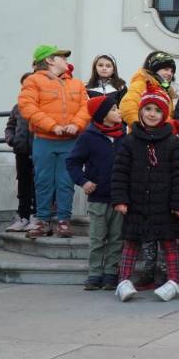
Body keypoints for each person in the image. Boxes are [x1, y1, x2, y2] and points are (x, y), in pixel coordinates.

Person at [112, 83, 179, 302]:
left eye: (157, 110)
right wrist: (120, 199)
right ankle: (123, 281)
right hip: (136, 202)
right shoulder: (129, 141)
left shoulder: (173, 143)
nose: (152, 114)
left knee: (168, 242)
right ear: (140, 111)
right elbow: (119, 172)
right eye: (148, 109)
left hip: (163, 204)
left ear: (164, 115)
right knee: (131, 242)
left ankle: (173, 280)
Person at [18, 44, 90, 239]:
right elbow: (27, 107)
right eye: (62, 57)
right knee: (43, 181)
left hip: (70, 141)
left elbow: (86, 107)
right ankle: (41, 220)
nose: (66, 61)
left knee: (66, 182)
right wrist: (52, 126)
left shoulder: (76, 83)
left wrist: (77, 124)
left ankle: (63, 221)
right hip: (44, 140)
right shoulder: (33, 81)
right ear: (49, 60)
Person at [65, 95, 125, 291]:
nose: (119, 112)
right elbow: (72, 162)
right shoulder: (88, 137)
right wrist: (83, 181)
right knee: (97, 238)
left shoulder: (124, 136)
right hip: (98, 197)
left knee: (116, 238)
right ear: (102, 115)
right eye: (114, 109)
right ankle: (94, 274)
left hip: (119, 197)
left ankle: (110, 274)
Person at [5, 73, 37, 232]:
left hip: (38, 151)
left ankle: (35, 215)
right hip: (21, 152)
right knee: (23, 184)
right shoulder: (17, 107)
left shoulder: (41, 105)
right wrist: (12, 139)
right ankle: (23, 215)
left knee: (37, 184)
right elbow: (10, 126)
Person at [120, 51, 177, 126]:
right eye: (166, 69)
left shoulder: (167, 91)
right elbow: (128, 109)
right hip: (142, 136)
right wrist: (143, 129)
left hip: (161, 136)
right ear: (155, 69)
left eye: (172, 71)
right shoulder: (141, 84)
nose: (170, 74)